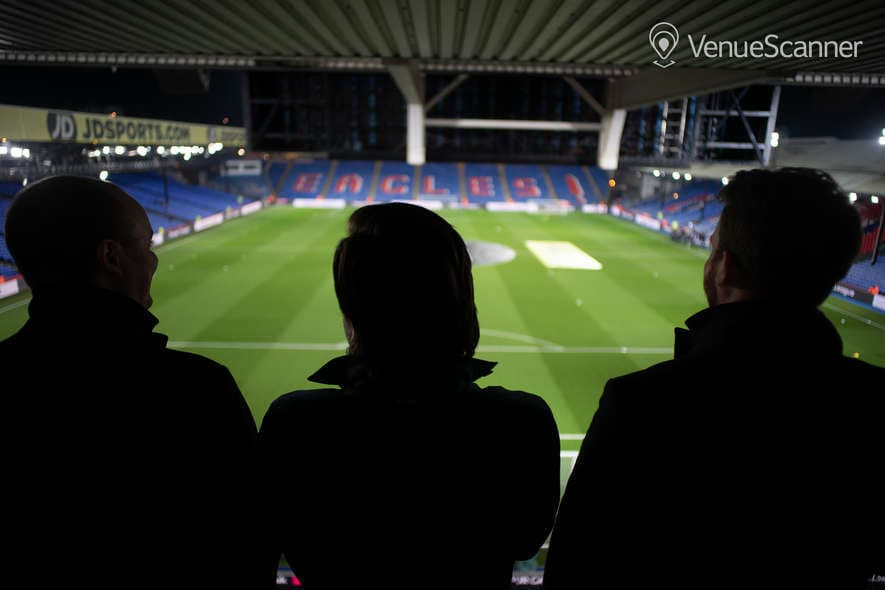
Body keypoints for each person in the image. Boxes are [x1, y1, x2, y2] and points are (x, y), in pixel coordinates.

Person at [544, 168, 884, 589]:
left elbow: (576, 566)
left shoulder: (641, 403)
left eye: (713, 248)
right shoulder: (876, 404)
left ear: (723, 267)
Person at [260, 202, 560, 589]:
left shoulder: (295, 424)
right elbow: (525, 542)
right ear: (463, 301)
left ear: (351, 308)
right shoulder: (520, 423)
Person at [1, 176, 259, 589]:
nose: (154, 260)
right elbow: (247, 538)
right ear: (111, 257)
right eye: (147, 246)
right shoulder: (195, 389)